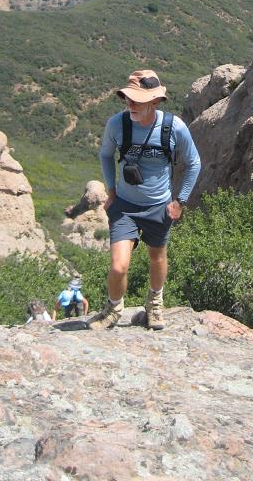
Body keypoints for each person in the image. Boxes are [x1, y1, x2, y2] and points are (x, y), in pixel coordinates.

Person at [87, 69, 201, 331]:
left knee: (157, 257)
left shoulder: (174, 127)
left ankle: (154, 304)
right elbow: (105, 154)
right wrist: (111, 190)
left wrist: (180, 201)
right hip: (125, 206)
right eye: (128, 98)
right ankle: (113, 309)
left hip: (158, 206)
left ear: (155, 101)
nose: (131, 105)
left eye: (137, 100)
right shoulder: (117, 124)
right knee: (118, 267)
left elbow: (194, 162)